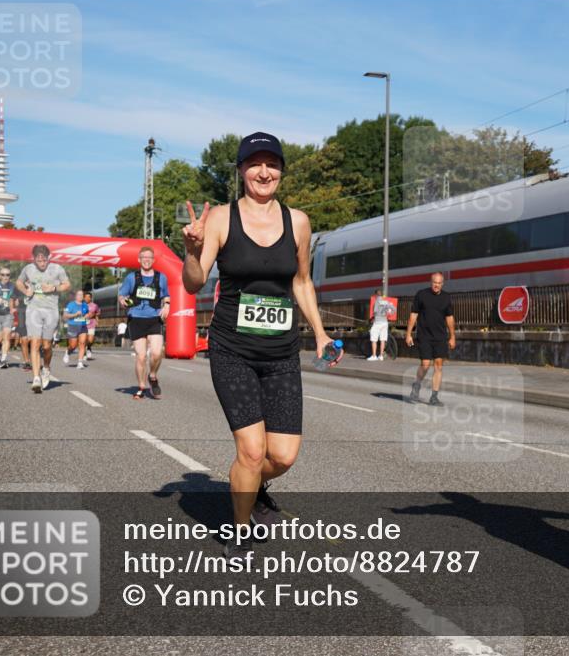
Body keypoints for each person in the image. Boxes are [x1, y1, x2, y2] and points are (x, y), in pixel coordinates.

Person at [181, 131, 340, 560]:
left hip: (282, 353)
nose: (264, 172)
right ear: (241, 171)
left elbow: (301, 282)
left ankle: (252, 485)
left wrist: (320, 333)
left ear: (281, 171)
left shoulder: (298, 222)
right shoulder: (221, 219)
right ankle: (239, 529)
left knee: (283, 456)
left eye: (272, 164)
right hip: (232, 349)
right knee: (252, 451)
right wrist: (191, 251)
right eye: (255, 164)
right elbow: (193, 283)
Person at [16, 244, 71, 393]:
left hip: (51, 310)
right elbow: (19, 282)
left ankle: (46, 368)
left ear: (48, 258)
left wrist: (54, 288)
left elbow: (67, 284)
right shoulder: (28, 269)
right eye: (38, 261)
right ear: (33, 259)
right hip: (33, 310)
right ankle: (36, 378)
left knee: (46, 346)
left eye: (44, 260)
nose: (42, 263)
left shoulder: (57, 269)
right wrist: (26, 291)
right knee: (35, 343)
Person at [118, 246, 170, 399]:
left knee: (157, 353)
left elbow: (166, 295)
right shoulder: (131, 277)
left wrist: (167, 305)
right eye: (144, 257)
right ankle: (141, 386)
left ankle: (152, 376)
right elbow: (122, 295)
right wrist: (123, 301)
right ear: (139, 260)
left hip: (154, 318)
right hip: (136, 318)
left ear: (153, 260)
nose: (146, 260)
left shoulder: (161, 277)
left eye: (149, 257)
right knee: (141, 356)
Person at [404, 272, 456, 406]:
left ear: (442, 284)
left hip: (440, 337)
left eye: (439, 283)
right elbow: (413, 315)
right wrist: (408, 334)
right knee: (425, 364)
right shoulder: (421, 295)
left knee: (438, 365)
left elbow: (449, 318)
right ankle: (417, 384)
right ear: (431, 282)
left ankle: (434, 397)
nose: (436, 285)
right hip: (424, 336)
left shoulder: (446, 297)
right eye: (434, 283)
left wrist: (452, 336)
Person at [62, 290, 91, 369]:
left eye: (82, 295)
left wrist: (87, 315)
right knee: (73, 345)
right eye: (79, 295)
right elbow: (65, 315)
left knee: (82, 343)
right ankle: (68, 352)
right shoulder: (70, 305)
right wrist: (75, 314)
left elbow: (88, 313)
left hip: (82, 326)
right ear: (76, 296)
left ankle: (80, 362)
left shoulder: (85, 305)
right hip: (73, 326)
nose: (80, 296)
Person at [367, 288, 394, 361]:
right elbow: (391, 310)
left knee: (374, 339)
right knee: (383, 339)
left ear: (376, 294)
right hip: (385, 322)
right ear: (382, 294)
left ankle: (374, 356)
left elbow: (375, 312)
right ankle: (381, 356)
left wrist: (372, 319)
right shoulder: (386, 301)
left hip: (377, 323)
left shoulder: (377, 301)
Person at [14, 294, 31, 371]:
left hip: (34, 317)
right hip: (22, 317)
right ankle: (27, 362)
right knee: (24, 340)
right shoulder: (20, 291)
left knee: (33, 341)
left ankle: (31, 356)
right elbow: (15, 302)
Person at [84, 292, 100, 360]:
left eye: (88, 297)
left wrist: (97, 321)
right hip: (83, 324)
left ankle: (88, 348)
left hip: (91, 324)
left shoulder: (94, 305)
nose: (87, 298)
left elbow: (97, 313)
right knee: (84, 340)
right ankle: (84, 353)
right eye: (86, 297)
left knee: (90, 340)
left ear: (91, 298)